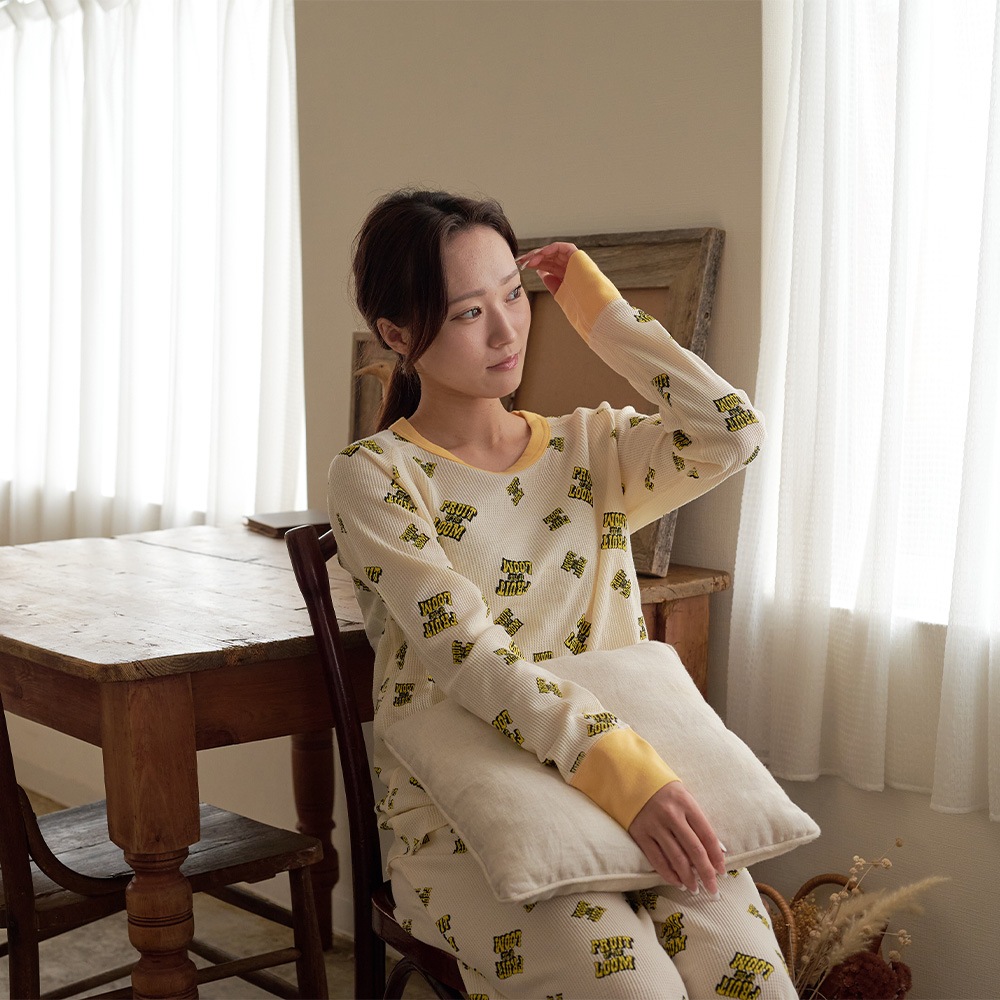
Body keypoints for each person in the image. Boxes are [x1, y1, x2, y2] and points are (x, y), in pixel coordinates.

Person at [328, 189, 794, 999]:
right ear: (397, 335)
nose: (507, 331)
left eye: (515, 296)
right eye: (469, 312)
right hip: (467, 804)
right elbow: (468, 653)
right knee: (635, 992)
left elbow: (733, 432)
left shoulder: (590, 448)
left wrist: (601, 314)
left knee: (748, 982)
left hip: (633, 788)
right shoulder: (375, 475)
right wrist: (623, 774)